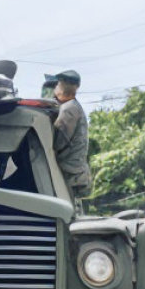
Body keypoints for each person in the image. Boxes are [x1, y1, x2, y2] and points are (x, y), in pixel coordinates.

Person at [46, 70, 92, 198]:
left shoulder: (69, 109)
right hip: (73, 173)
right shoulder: (72, 107)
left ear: (61, 88)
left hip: (70, 174)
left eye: (56, 86)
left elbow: (57, 143)